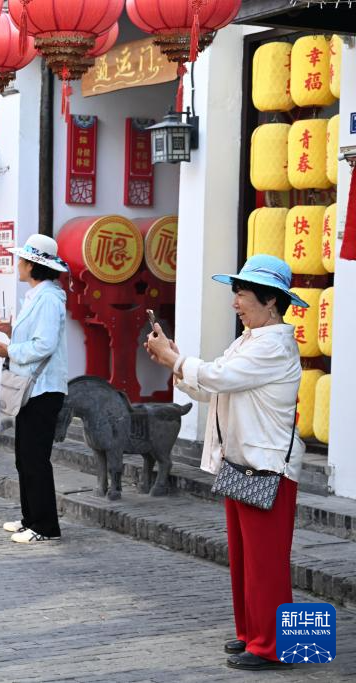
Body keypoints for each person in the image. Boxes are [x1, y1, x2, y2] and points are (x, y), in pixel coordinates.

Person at [144, 254, 305, 671]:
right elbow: (214, 384)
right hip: (243, 462)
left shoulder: (273, 344)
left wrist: (176, 361)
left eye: (242, 294)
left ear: (271, 300)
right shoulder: (250, 339)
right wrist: (176, 360)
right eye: (235, 293)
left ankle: (274, 646)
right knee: (246, 559)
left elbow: (219, 377)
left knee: (265, 563)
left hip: (266, 466)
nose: (235, 302)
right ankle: (253, 634)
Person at [0, 234, 68, 544]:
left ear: (32, 265)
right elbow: (36, 338)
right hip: (33, 387)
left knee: (35, 458)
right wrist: (11, 331)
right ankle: (30, 518)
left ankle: (45, 526)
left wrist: (10, 349)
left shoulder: (48, 299)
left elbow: (44, 344)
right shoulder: (38, 296)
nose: (18, 264)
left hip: (43, 388)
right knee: (25, 456)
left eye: (21, 260)